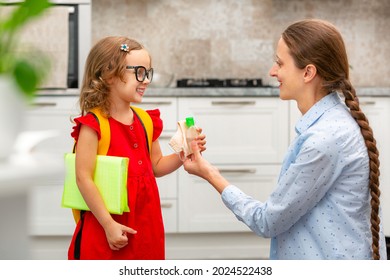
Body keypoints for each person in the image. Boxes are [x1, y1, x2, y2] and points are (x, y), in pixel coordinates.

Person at [183, 19, 387, 260]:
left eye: (280, 63)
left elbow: (267, 222)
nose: (272, 71)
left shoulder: (324, 139)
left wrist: (209, 172)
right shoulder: (333, 123)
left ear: (308, 72)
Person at [67, 36, 205, 260]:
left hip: (145, 225)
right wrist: (109, 224)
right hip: (106, 225)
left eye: (148, 73)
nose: (146, 80)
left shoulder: (146, 121)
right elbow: (83, 178)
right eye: (139, 72)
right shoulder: (93, 126)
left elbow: (157, 166)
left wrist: (184, 152)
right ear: (109, 74)